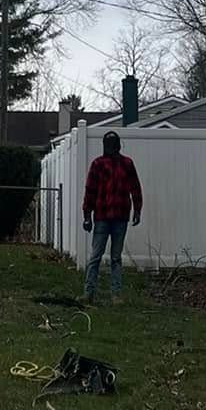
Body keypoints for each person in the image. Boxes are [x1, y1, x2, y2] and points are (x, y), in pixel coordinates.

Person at [81, 129, 142, 302]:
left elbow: (135, 188)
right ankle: (89, 292)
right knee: (95, 256)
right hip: (102, 217)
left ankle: (115, 294)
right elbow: (90, 191)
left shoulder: (127, 164)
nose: (111, 147)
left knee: (116, 257)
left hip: (120, 217)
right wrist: (87, 214)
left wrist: (138, 209)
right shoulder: (98, 164)